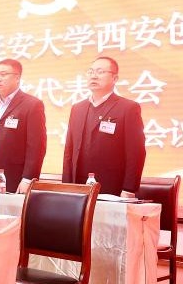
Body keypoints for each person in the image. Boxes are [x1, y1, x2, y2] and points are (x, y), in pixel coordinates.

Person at [63, 56, 147, 197]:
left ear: (115, 78)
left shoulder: (128, 108)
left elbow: (136, 152)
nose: (94, 76)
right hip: (78, 187)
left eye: (100, 72)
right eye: (90, 72)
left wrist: (129, 189)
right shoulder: (77, 108)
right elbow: (69, 151)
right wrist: (66, 186)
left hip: (112, 187)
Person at [0, 59, 46, 194]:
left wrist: (28, 179)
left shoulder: (32, 105)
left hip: (16, 177)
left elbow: (37, 147)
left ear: (17, 78)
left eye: (3, 74)